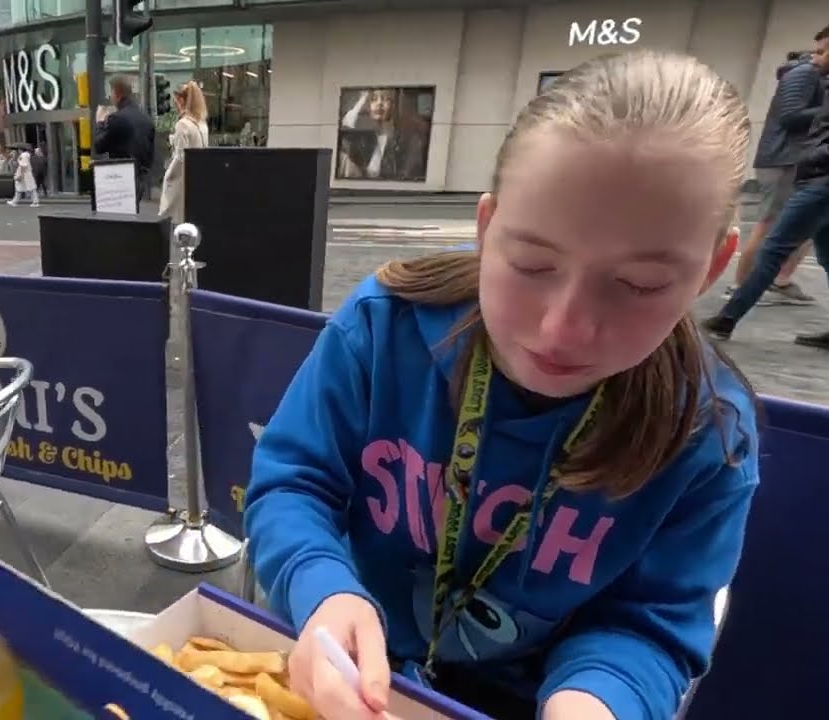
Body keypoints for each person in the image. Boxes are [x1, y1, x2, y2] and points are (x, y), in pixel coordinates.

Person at [245, 50, 759, 720]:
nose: (563, 328)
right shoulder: (386, 326)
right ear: (486, 229)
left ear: (714, 268)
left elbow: (651, 624)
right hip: (353, 677)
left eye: (639, 285)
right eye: (531, 263)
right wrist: (321, 588)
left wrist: (597, 702)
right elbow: (293, 481)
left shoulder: (707, 434)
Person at [704, 25, 829, 349]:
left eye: (823, 51)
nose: (817, 58)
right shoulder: (812, 79)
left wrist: (814, 159)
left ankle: (727, 318)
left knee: (774, 247)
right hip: (812, 175)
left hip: (819, 180)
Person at [724, 43, 827, 305]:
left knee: (805, 229)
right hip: (784, 160)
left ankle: (779, 281)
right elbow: (790, 116)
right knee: (771, 226)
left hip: (802, 162)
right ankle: (741, 286)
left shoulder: (818, 78)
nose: (818, 56)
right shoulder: (804, 74)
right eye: (820, 50)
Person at [93, 75, 155, 202]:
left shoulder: (117, 118)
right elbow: (150, 154)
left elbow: (99, 146)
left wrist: (100, 123)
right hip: (139, 178)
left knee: (119, 218)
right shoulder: (146, 118)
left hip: (119, 178)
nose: (110, 96)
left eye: (111, 92)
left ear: (117, 93)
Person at [158, 81, 209, 225]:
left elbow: (180, 157)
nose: (175, 105)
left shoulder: (183, 124)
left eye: (176, 101)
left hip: (182, 180)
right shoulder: (202, 124)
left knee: (175, 221)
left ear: (181, 100)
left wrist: (168, 176)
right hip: (197, 177)